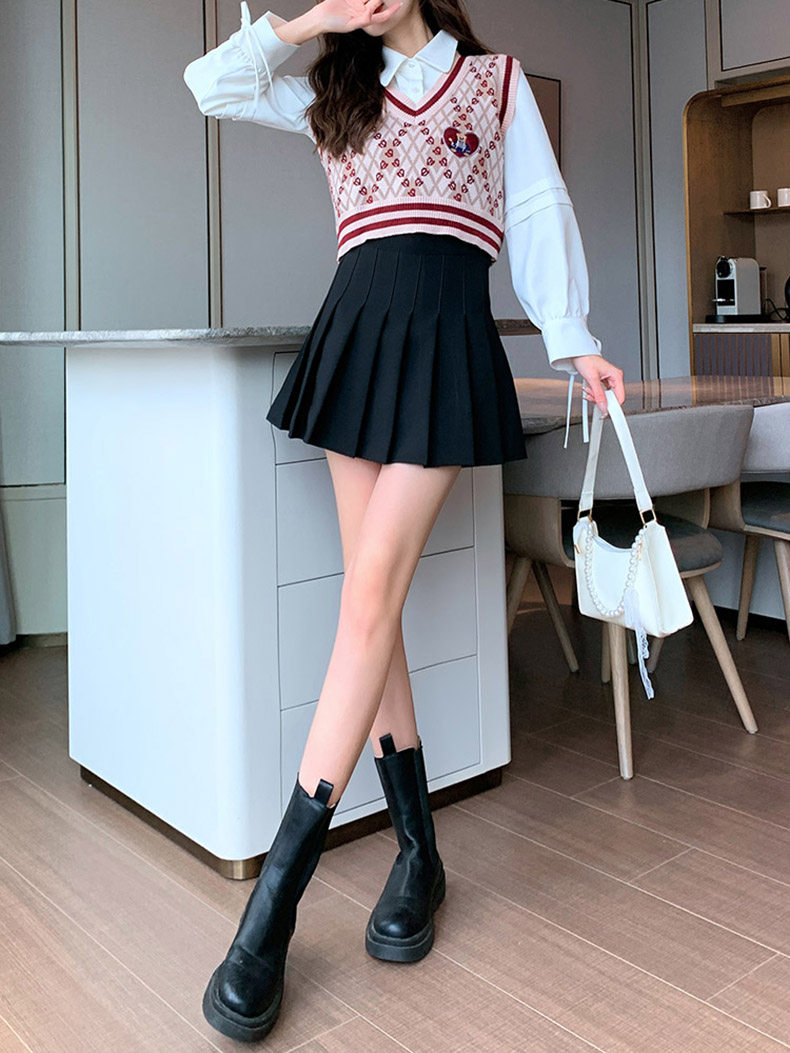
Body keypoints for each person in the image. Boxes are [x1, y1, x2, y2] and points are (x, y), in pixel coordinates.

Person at [183, 0, 625, 1042]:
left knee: (368, 599)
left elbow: (538, 207)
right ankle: (420, 855)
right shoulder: (333, 86)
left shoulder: (496, 82)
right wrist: (311, 21)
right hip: (355, 330)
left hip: (443, 335)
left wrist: (571, 337)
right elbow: (212, 86)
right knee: (368, 606)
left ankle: (271, 910)